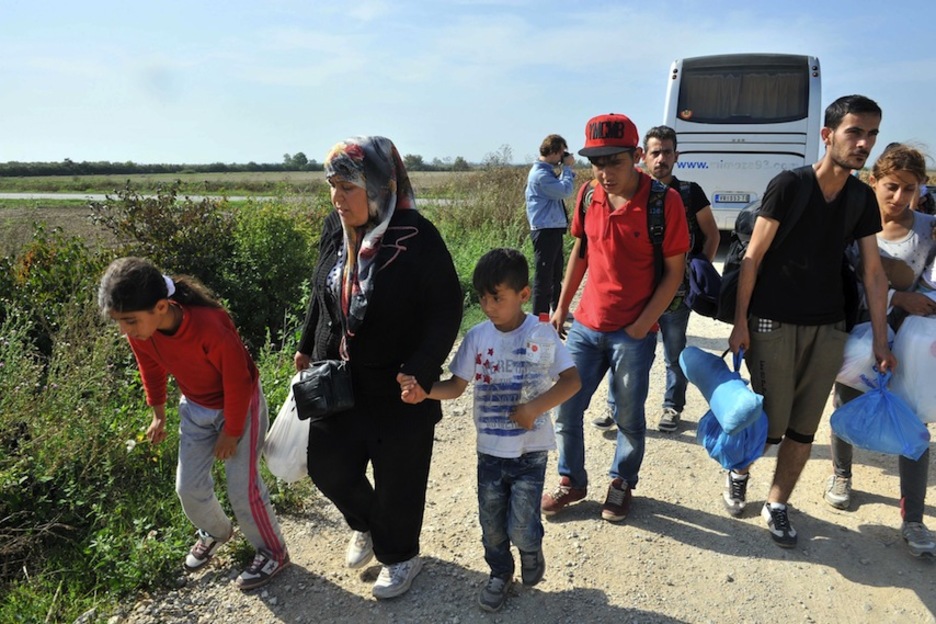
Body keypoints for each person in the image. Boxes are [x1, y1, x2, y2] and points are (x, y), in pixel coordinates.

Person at [294, 136, 462, 599]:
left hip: (399, 383)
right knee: (327, 466)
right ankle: (368, 525)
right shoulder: (336, 226)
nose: (337, 198)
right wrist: (307, 343)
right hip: (340, 379)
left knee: (399, 479)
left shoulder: (416, 235)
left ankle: (401, 555)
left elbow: (447, 307)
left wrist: (424, 369)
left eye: (348, 187)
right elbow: (320, 289)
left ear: (378, 186)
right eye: (332, 185)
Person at [727, 94, 897, 548]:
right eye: (855, 132)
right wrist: (740, 322)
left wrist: (881, 341)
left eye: (872, 134)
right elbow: (752, 259)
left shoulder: (861, 197)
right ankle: (739, 468)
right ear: (827, 136)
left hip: (829, 327)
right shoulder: (789, 185)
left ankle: (777, 504)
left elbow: (874, 272)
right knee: (771, 423)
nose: (864, 143)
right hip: (772, 322)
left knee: (804, 426)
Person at [400, 248, 580, 612]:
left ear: (523, 295)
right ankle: (500, 573)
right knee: (492, 526)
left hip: (530, 452)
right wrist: (425, 391)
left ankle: (531, 549)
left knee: (521, 526)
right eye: (483, 297)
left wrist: (533, 408)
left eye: (497, 297)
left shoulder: (542, 335)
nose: (488, 305)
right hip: (490, 454)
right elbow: (455, 386)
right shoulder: (478, 337)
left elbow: (572, 381)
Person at [98, 257, 288, 591]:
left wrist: (231, 431)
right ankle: (218, 532)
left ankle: (274, 552)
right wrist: (158, 413)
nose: (125, 330)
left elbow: (239, 381)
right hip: (196, 408)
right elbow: (152, 369)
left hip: (241, 405)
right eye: (119, 323)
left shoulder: (210, 325)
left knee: (242, 489)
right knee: (188, 489)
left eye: (129, 321)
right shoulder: (142, 332)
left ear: (160, 306)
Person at [541, 113, 690, 522]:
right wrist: (562, 305)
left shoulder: (665, 202)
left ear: (637, 156)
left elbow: (675, 271)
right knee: (566, 408)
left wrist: (643, 326)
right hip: (586, 327)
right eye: (597, 162)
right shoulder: (589, 195)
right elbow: (582, 251)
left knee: (628, 415)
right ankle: (572, 481)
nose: (605, 173)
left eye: (615, 162)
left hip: (633, 333)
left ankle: (622, 482)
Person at [823, 144, 936, 557]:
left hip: (911, 346)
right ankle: (841, 474)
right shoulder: (854, 222)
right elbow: (842, 279)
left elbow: (932, 284)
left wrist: (913, 301)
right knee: (846, 403)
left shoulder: (929, 228)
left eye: (910, 188)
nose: (899, 197)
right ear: (874, 181)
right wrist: (896, 298)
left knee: (914, 426)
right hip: (857, 337)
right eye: (891, 186)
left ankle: (913, 520)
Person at [592, 125, 720, 433]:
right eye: (655, 152)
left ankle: (671, 407)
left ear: (676, 156)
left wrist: (696, 267)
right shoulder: (628, 193)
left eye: (666, 152)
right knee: (623, 352)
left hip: (676, 295)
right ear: (644, 157)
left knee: (674, 354)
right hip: (637, 295)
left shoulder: (689, 192)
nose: (661, 158)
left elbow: (712, 233)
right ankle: (614, 406)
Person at [525, 134, 576, 317]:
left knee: (555, 273)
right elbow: (565, 190)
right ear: (554, 152)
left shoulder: (546, 172)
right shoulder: (540, 175)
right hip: (544, 230)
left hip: (551, 228)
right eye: (562, 152)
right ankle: (540, 316)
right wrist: (568, 168)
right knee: (544, 276)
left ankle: (558, 308)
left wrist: (565, 169)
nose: (563, 156)